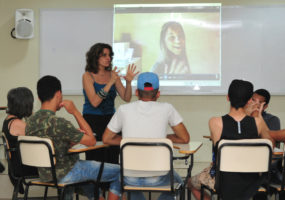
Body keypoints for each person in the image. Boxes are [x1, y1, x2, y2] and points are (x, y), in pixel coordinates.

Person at [25, 75, 121, 200]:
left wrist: (68, 142)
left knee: (93, 188)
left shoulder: (30, 122)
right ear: (59, 94)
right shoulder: (59, 122)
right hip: (67, 172)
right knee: (120, 171)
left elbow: (50, 145)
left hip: (45, 174)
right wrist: (75, 111)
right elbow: (91, 141)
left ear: (39, 97)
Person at [102, 72, 190, 200]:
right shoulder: (167, 108)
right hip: (158, 177)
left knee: (123, 181)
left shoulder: (123, 109)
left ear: (137, 92)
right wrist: (164, 138)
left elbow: (107, 138)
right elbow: (184, 138)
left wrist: (128, 140)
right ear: (158, 93)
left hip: (129, 176)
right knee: (179, 182)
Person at [188, 79, 274, 200]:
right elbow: (271, 145)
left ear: (228, 97)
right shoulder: (258, 122)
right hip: (252, 179)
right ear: (249, 100)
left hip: (224, 180)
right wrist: (258, 116)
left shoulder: (215, 122)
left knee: (191, 183)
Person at [82, 43, 138, 165]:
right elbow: (95, 102)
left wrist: (128, 82)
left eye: (110, 55)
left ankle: (111, 183)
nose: (108, 58)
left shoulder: (113, 75)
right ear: (95, 57)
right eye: (104, 55)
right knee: (95, 156)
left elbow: (126, 97)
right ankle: (95, 183)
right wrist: (110, 83)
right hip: (92, 119)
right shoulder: (88, 76)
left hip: (111, 119)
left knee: (113, 154)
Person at [2, 87, 38, 192]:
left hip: (17, 166)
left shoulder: (8, 120)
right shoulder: (18, 124)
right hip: (24, 167)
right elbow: (43, 138)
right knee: (64, 165)